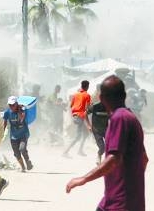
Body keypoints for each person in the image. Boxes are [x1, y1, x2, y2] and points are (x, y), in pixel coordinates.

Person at [65, 75, 148, 211]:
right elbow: (144, 159)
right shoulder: (131, 118)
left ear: (101, 98)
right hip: (124, 201)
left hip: (119, 204)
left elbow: (113, 159)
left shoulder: (119, 118)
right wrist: (131, 183)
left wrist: (83, 179)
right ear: (124, 96)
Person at [62, 80, 92, 158]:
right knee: (77, 136)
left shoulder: (75, 95)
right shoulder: (87, 95)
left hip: (75, 116)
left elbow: (71, 106)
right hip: (81, 117)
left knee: (85, 134)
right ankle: (65, 152)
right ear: (87, 87)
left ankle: (80, 150)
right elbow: (88, 109)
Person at [3, 96, 33, 172]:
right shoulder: (7, 112)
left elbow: (22, 119)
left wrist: (20, 110)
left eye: (13, 105)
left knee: (22, 149)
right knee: (16, 153)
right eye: (10, 105)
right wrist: (2, 132)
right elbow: (5, 122)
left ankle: (27, 161)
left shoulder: (23, 110)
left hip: (23, 134)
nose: (11, 107)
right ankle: (23, 167)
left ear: (17, 104)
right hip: (13, 136)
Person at [88, 87, 111, 165]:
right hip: (96, 130)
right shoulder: (95, 106)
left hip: (106, 129)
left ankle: (107, 161)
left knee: (111, 145)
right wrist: (88, 125)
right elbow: (85, 114)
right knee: (102, 147)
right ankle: (99, 156)